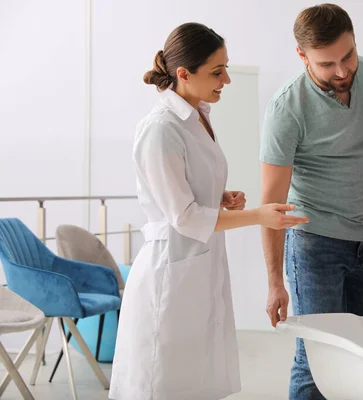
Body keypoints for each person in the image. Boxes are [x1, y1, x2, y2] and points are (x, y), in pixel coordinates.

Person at [109, 22, 308, 400]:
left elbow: (185, 194)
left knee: (195, 378)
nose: (227, 80)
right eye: (218, 72)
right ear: (184, 74)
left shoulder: (197, 114)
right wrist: (259, 216)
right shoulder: (160, 129)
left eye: (226, 68)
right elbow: (182, 216)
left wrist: (218, 198)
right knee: (162, 381)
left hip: (198, 263)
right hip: (171, 270)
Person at [259, 4, 363, 399]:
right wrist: (276, 282)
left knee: (361, 355)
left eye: (348, 56)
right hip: (315, 242)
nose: (342, 71)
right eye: (327, 64)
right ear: (302, 56)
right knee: (315, 360)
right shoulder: (286, 109)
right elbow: (272, 206)